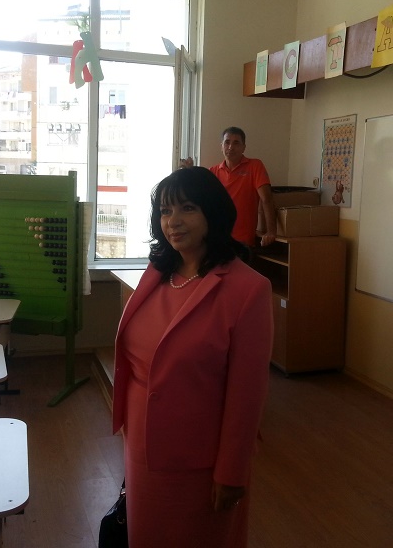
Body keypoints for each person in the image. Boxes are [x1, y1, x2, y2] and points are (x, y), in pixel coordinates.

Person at [112, 166, 274, 548]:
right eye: (165, 211)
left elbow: (247, 394)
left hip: (199, 458)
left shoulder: (248, 289)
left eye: (188, 208)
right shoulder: (157, 272)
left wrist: (232, 471)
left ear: (212, 213)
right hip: (141, 447)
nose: (173, 221)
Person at [181, 126, 277, 247]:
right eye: (227, 142)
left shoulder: (254, 166)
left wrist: (271, 231)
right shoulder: (213, 172)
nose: (231, 147)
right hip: (215, 239)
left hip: (242, 241)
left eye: (236, 143)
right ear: (221, 146)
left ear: (243, 147)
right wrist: (189, 172)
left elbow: (266, 199)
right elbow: (197, 198)